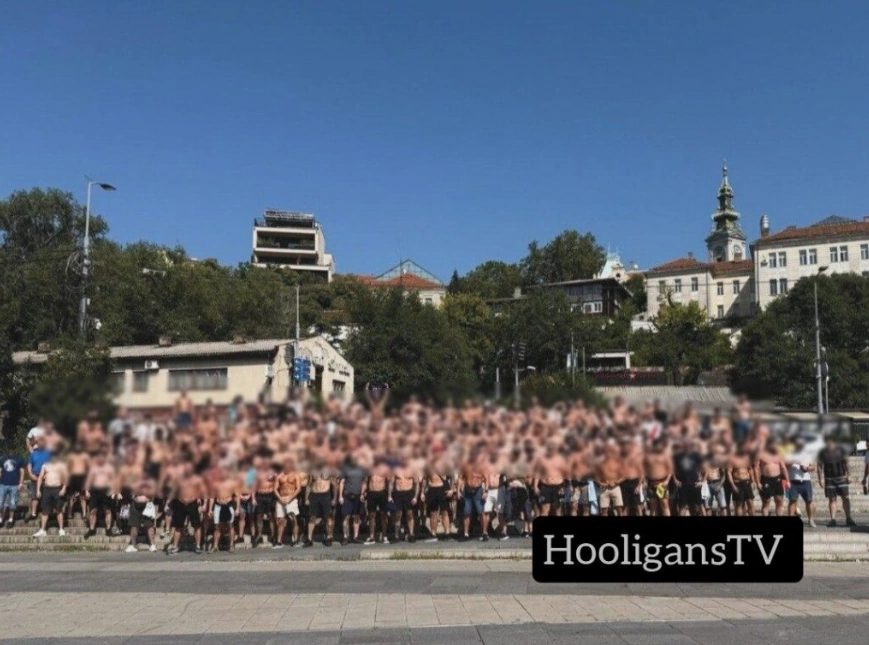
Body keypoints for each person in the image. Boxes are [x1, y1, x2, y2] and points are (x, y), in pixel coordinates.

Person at [817, 436, 856, 528]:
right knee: (832, 499)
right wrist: (820, 479)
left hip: (841, 478)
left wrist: (849, 475)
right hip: (829, 479)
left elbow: (846, 463)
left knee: (845, 498)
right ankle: (833, 519)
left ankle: (849, 518)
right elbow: (819, 466)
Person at [33, 451, 68, 538]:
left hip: (57, 489)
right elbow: (40, 478)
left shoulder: (61, 466)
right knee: (45, 510)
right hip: (47, 490)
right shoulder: (45, 465)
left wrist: (64, 488)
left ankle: (61, 529)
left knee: (59, 509)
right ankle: (42, 530)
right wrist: (38, 490)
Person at [755, 438, 789, 517]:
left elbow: (783, 467)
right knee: (766, 502)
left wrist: (788, 480)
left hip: (777, 479)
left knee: (779, 501)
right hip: (766, 479)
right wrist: (757, 482)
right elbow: (756, 468)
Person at [786, 437, 816, 527]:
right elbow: (784, 465)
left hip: (805, 481)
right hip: (793, 480)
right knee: (792, 500)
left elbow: (813, 467)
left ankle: (811, 520)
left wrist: (806, 468)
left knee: (809, 500)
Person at [337, 455, 366, 545]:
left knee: (356, 517)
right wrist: (340, 496)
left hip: (358, 496)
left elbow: (364, 482)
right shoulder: (345, 469)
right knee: (346, 517)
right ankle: (345, 537)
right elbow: (342, 482)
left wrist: (362, 494)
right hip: (347, 496)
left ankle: (355, 537)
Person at [126, 476, 158, 553]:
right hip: (135, 505)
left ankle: (152, 545)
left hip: (147, 505)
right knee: (134, 525)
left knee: (149, 525)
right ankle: (132, 545)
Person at [27, 436, 52, 521]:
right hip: (34, 476)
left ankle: (47, 512)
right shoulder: (33, 453)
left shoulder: (48, 453)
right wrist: (30, 474)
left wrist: (46, 475)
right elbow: (29, 465)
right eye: (39, 442)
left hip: (45, 477)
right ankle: (33, 513)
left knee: (47, 496)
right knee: (34, 496)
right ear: (37, 444)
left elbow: (51, 464)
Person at [0, 447, 25, 527]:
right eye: (9, 449)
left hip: (14, 485)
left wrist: (21, 483)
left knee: (12, 503)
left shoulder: (19, 459)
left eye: (12, 449)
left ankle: (11, 520)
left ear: (14, 450)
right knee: (0, 503)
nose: (10, 451)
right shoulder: (2, 459)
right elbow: (0, 470)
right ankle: (0, 519)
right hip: (3, 484)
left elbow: (22, 471)